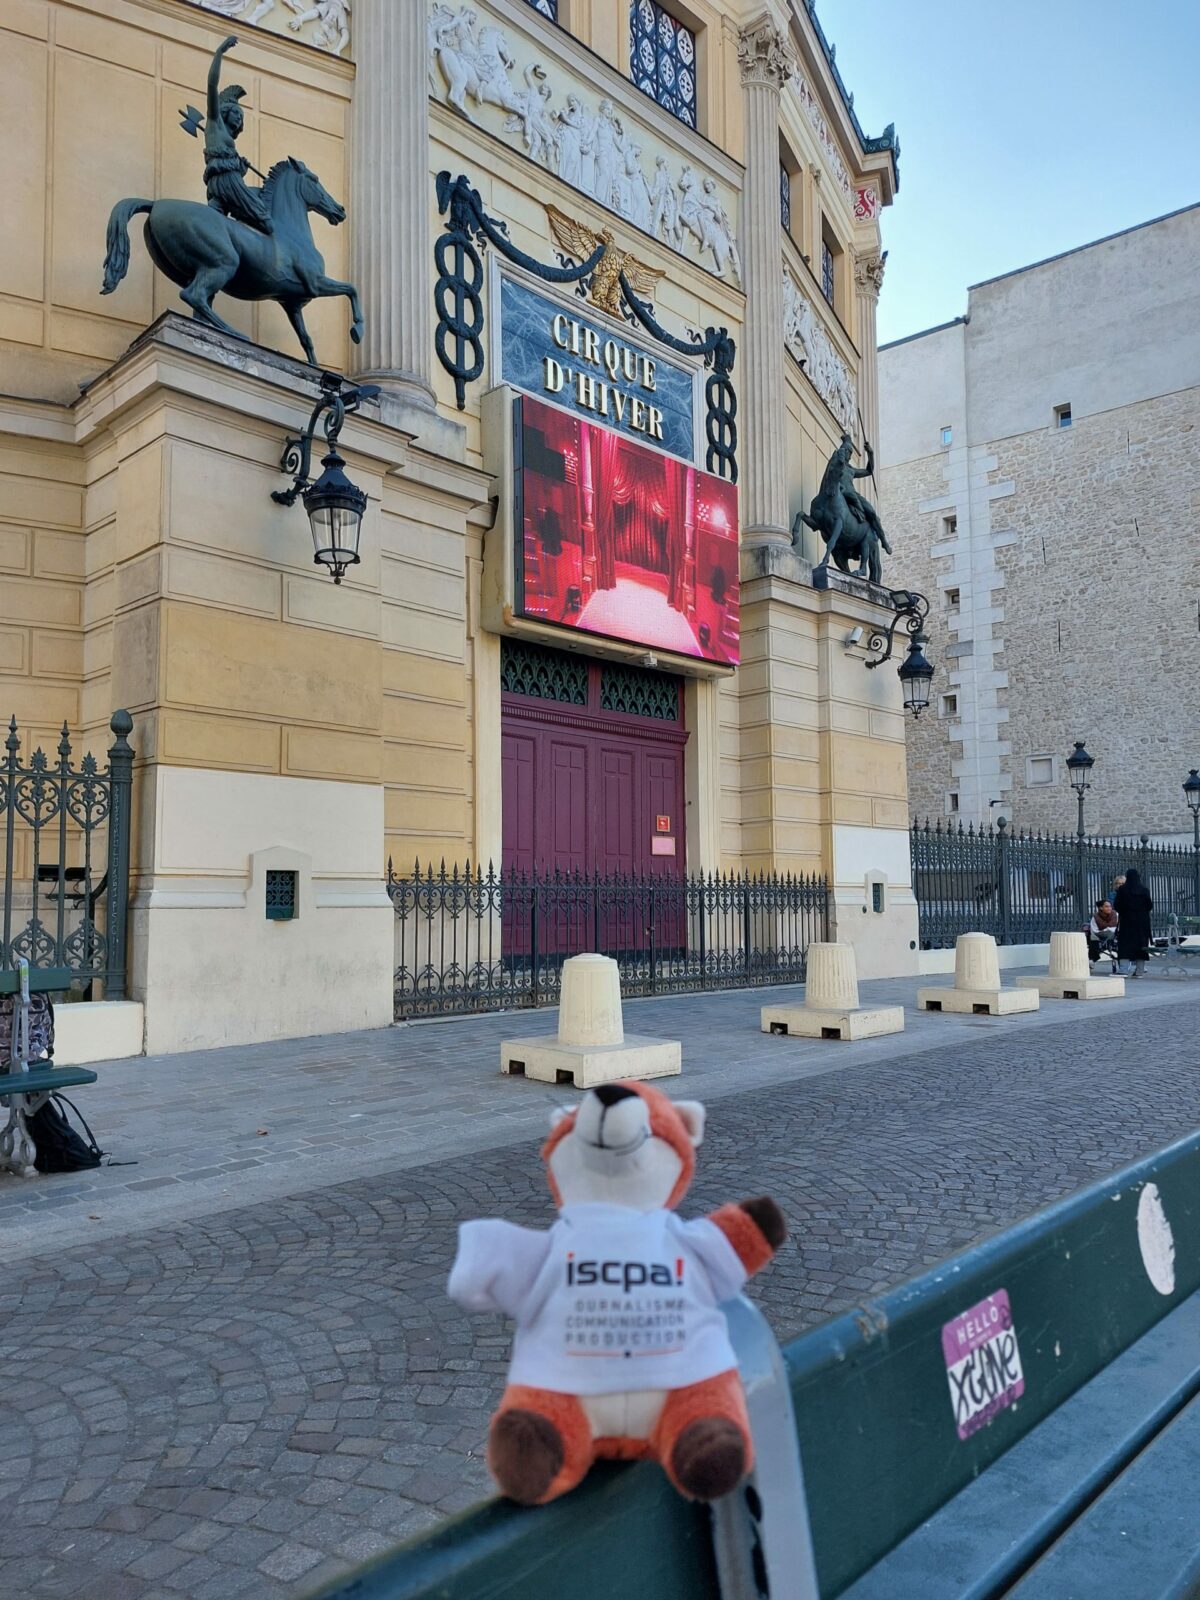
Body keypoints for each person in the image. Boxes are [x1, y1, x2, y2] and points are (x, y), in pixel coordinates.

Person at [203, 36, 273, 235]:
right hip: (227, 182)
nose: (240, 118)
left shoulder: (227, 140)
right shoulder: (214, 123)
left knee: (216, 225)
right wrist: (220, 52)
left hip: (219, 185)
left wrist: (239, 169)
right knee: (265, 220)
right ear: (225, 110)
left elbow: (224, 162)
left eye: (241, 117)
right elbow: (211, 85)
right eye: (237, 113)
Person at [1114, 869, 1153, 977]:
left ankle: (1123, 970)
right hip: (1143, 921)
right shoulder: (1144, 890)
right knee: (1141, 945)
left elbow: (1117, 905)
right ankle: (1139, 971)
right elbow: (1149, 906)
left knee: (1125, 944)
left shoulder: (1122, 889)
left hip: (1127, 921)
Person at [1088, 899, 1118, 964]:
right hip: (1099, 934)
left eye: (1110, 906)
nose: (1109, 908)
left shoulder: (1115, 914)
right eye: (1106, 906)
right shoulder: (1095, 917)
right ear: (1101, 908)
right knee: (1093, 938)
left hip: (1114, 934)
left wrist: (1108, 928)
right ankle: (1092, 959)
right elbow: (1094, 930)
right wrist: (1107, 929)